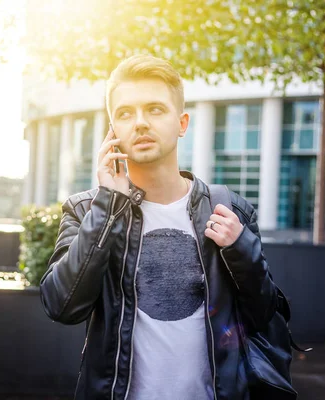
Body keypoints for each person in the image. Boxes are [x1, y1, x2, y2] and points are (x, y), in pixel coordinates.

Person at [40, 54, 278, 400]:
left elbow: (263, 313)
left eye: (155, 109)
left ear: (182, 123)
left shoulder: (230, 209)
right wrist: (107, 205)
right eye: (125, 113)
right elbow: (61, 306)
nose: (139, 123)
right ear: (112, 131)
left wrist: (240, 248)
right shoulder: (86, 210)